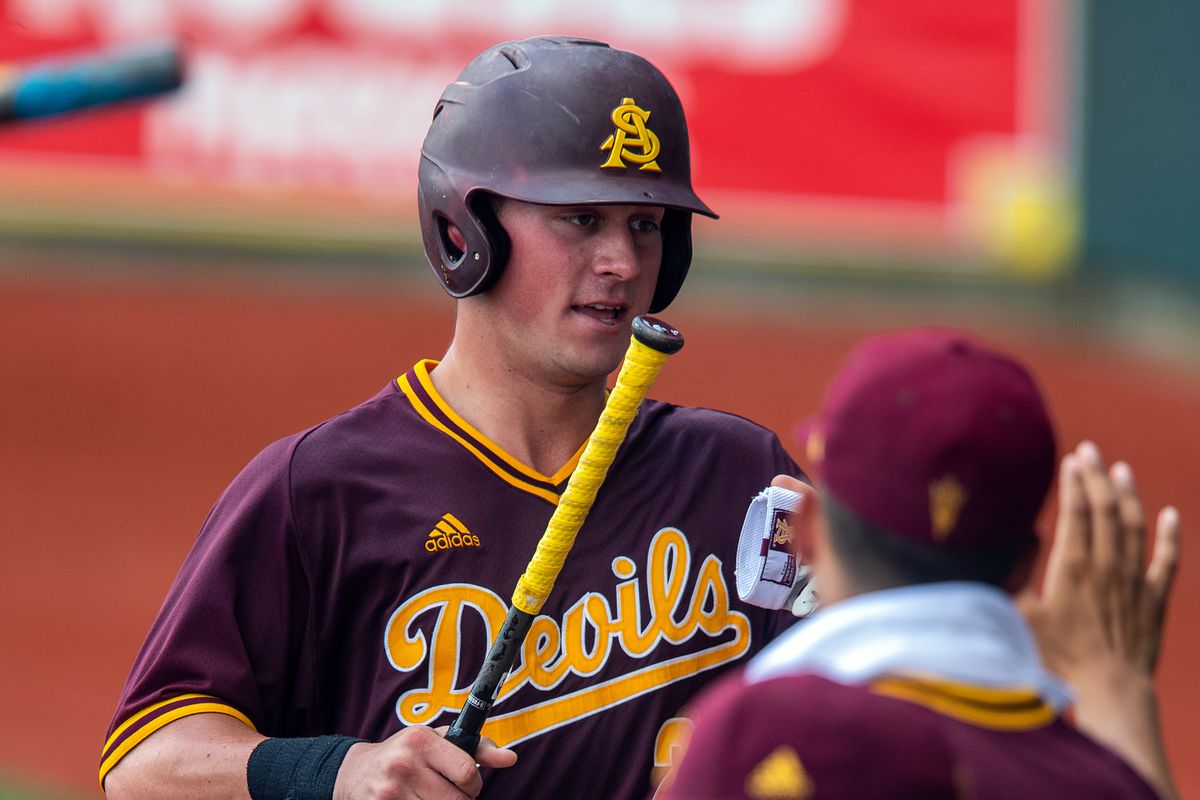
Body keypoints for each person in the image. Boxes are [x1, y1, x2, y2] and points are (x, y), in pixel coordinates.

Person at [99, 36, 802, 800]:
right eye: (581, 219)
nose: (623, 264)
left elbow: (879, 692)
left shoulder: (739, 477)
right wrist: (338, 771)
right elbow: (145, 765)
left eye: (645, 224)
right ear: (466, 229)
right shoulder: (323, 491)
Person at [657, 328, 1181, 800]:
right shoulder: (1095, 781)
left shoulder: (755, 736)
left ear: (810, 531)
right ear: (1025, 569)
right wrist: (1118, 693)